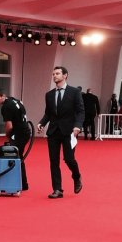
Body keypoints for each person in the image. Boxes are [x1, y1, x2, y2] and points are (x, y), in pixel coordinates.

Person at [37, 67, 84, 199]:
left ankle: (76, 176)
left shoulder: (75, 92)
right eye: (53, 74)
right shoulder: (49, 94)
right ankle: (57, 189)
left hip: (70, 132)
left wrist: (77, 126)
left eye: (57, 74)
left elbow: (81, 111)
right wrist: (41, 123)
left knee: (69, 159)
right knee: (53, 161)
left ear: (65, 75)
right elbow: (48, 113)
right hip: (53, 132)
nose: (55, 76)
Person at [0, 90, 31, 192]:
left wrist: (8, 135)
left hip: (19, 134)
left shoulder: (6, 107)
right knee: (19, 157)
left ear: (3, 96)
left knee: (14, 157)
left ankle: (14, 183)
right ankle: (23, 183)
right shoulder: (14, 100)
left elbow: (9, 125)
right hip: (24, 131)